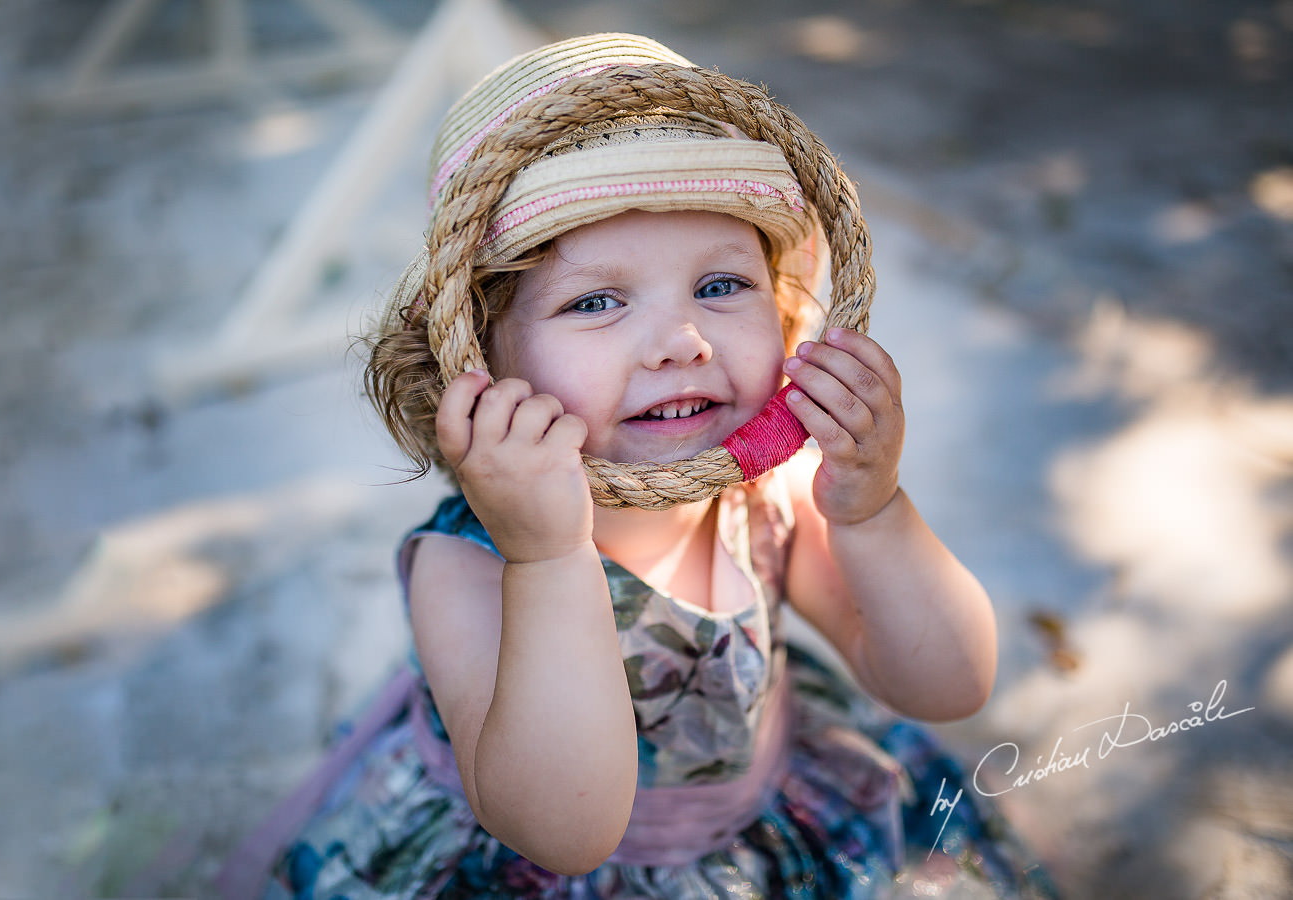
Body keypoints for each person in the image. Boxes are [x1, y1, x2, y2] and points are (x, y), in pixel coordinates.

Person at [219, 32, 1058, 900]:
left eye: (722, 285)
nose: (681, 343)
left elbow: (949, 684)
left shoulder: (767, 495)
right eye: (594, 301)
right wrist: (548, 558)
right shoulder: (468, 567)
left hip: (760, 818)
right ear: (480, 354)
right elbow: (566, 833)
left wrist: (873, 511)